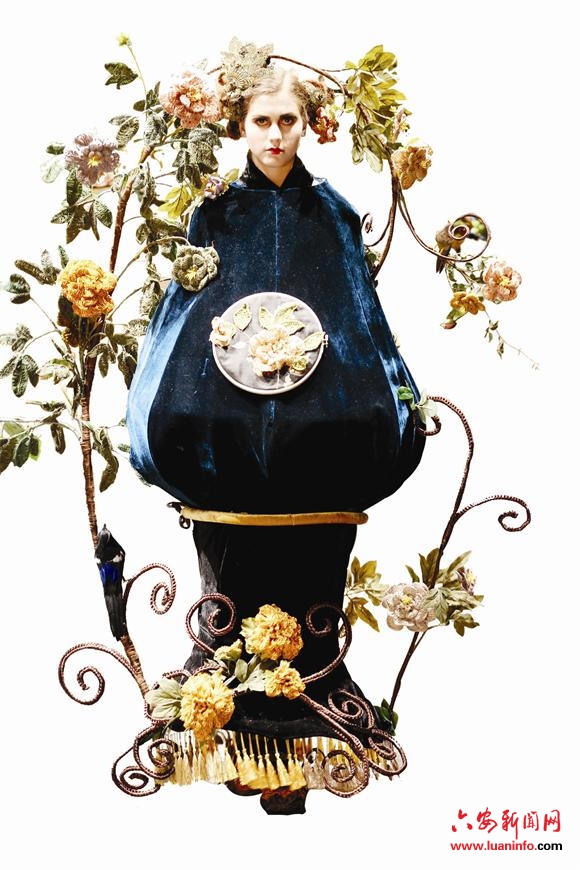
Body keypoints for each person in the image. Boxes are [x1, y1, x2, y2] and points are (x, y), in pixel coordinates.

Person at [126, 64, 425, 813]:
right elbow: (180, 323)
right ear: (239, 126)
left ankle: (309, 726)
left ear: (308, 125)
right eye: (261, 121)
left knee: (310, 599)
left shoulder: (333, 214)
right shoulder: (213, 213)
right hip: (224, 447)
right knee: (229, 595)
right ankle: (227, 730)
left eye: (287, 120)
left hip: (316, 447)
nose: (275, 135)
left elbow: (360, 321)